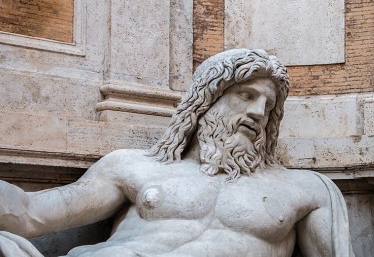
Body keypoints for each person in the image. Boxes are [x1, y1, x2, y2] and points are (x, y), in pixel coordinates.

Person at [0, 49, 354, 257]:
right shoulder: (135, 166)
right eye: (246, 96)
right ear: (206, 101)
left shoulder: (306, 189)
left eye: (269, 104)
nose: (259, 113)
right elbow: (31, 214)